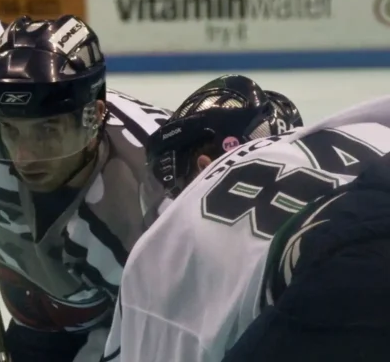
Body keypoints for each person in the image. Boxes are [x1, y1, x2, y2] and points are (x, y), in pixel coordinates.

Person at [0, 15, 171, 362]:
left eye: (47, 132)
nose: (24, 157)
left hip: (124, 321)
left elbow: (162, 336)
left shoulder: (149, 206)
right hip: (40, 310)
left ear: (94, 117)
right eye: (10, 131)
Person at [103, 75, 390, 362]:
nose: (171, 198)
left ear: (204, 167)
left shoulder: (175, 241)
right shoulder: (349, 133)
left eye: (173, 182)